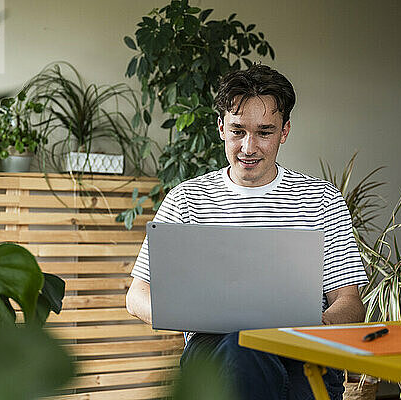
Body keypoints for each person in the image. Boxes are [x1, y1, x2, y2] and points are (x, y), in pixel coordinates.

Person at [125, 64, 368, 400]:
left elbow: (350, 303)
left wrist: (317, 328)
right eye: (238, 131)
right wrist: (187, 312)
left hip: (301, 351)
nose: (249, 147)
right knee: (241, 352)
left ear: (284, 132)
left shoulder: (321, 199)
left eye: (264, 132)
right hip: (214, 349)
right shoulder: (186, 199)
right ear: (221, 127)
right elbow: (136, 296)